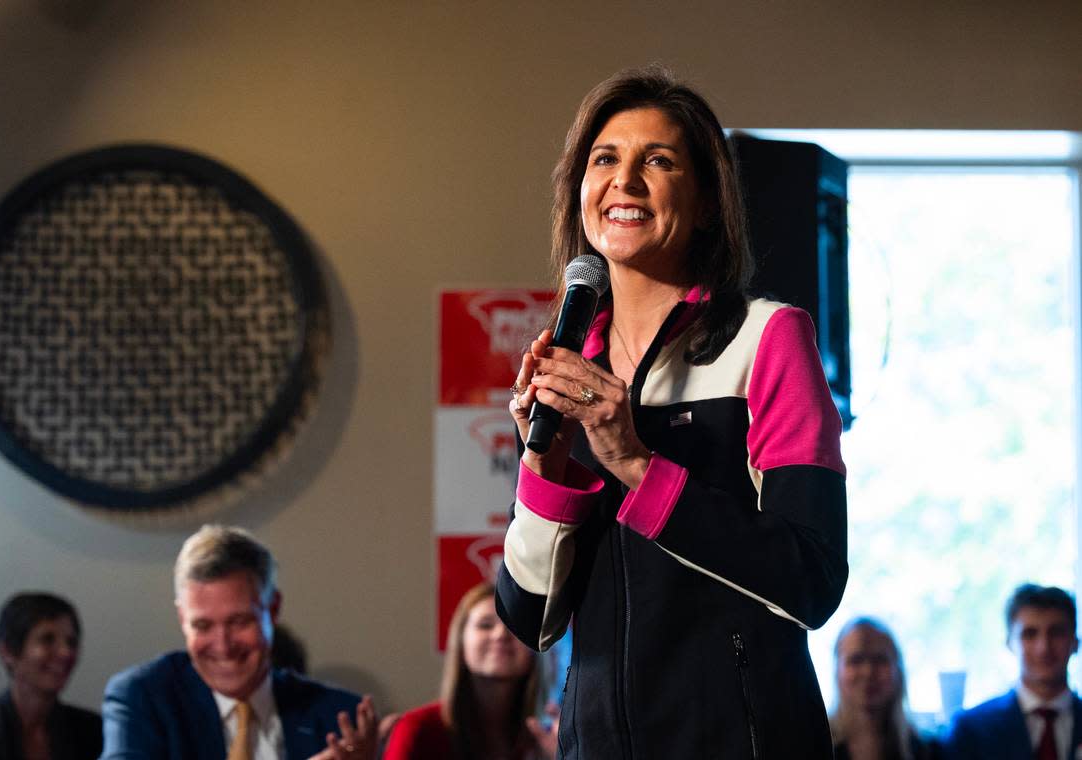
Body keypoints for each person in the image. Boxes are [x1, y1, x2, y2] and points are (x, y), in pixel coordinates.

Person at [495, 65, 848, 759]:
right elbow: (528, 616)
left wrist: (633, 462)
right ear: (580, 190)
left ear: (710, 199)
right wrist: (546, 461)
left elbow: (811, 577)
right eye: (606, 159)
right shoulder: (573, 364)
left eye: (657, 160)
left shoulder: (767, 339)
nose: (624, 181)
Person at [100, 524, 378, 760]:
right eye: (203, 625)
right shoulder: (144, 699)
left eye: (239, 622)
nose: (223, 645)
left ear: (273, 609)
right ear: (182, 617)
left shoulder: (339, 719)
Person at [383, 583, 555, 760]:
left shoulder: (544, 741)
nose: (500, 635)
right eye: (485, 625)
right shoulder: (417, 728)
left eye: (515, 627)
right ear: (461, 643)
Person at [0, 591, 102, 760]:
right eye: (47, 639)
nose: (66, 653)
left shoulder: (92, 731)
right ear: (8, 651)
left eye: (71, 642)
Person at [944, 583, 1082, 760]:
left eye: (1056, 633)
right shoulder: (971, 730)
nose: (1044, 648)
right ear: (1009, 643)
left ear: (1075, 642)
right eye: (1029, 634)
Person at [830, 617, 940, 760]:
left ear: (898, 671)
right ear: (837, 670)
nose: (868, 672)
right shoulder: (812, 744)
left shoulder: (928, 750)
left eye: (880, 659)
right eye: (856, 659)